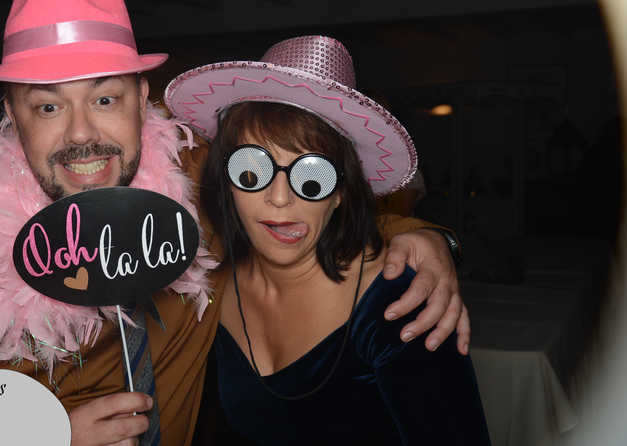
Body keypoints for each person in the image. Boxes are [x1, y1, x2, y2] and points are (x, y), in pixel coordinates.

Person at [0, 0, 468, 446]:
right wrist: (33, 431)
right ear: (11, 112)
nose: (80, 135)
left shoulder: (199, 188)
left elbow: (302, 198)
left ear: (141, 96)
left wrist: (425, 237)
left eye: (105, 99)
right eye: (48, 106)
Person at [165, 35, 489, 444]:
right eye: (251, 170)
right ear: (226, 181)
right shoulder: (210, 287)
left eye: (311, 176)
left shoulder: (400, 305)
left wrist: (436, 239)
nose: (279, 198)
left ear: (341, 192)